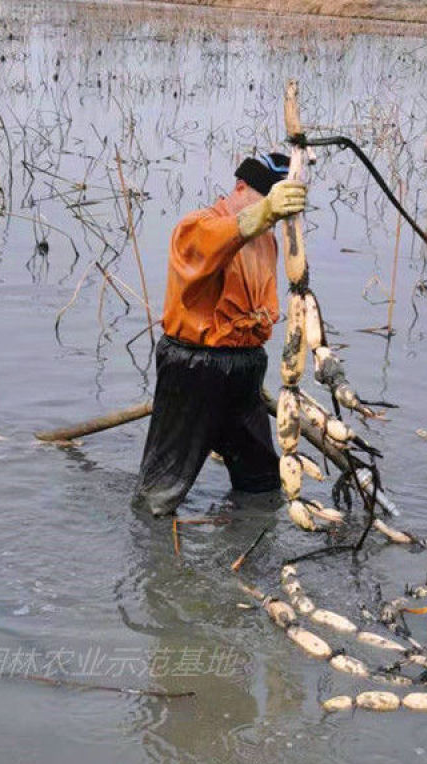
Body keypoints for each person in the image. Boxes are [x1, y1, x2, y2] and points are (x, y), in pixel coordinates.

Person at [133, 153, 307, 516]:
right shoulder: (197, 225)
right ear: (240, 188)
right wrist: (261, 214)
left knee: (261, 480)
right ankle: (154, 555)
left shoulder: (268, 239)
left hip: (244, 369)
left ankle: (252, 537)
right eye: (266, 205)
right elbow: (212, 241)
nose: (271, 216)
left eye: (276, 210)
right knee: (163, 487)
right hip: (195, 366)